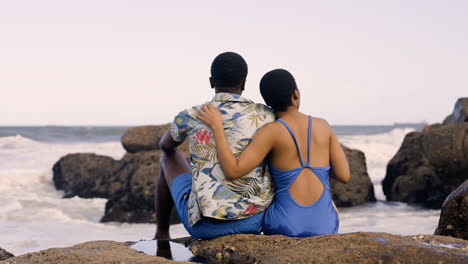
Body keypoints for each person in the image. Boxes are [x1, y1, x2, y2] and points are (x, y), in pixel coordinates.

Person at [197, 69, 350, 237]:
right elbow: (344, 175)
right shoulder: (323, 126)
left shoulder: (271, 131)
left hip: (285, 226)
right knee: (330, 203)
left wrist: (217, 127)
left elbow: (233, 170)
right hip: (326, 225)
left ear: (268, 103)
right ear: (296, 95)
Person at [154, 52, 276, 240]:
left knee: (167, 157)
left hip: (204, 228)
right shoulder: (267, 115)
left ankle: (162, 234)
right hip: (255, 221)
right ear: (244, 83)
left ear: (211, 82)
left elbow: (165, 145)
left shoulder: (193, 114)